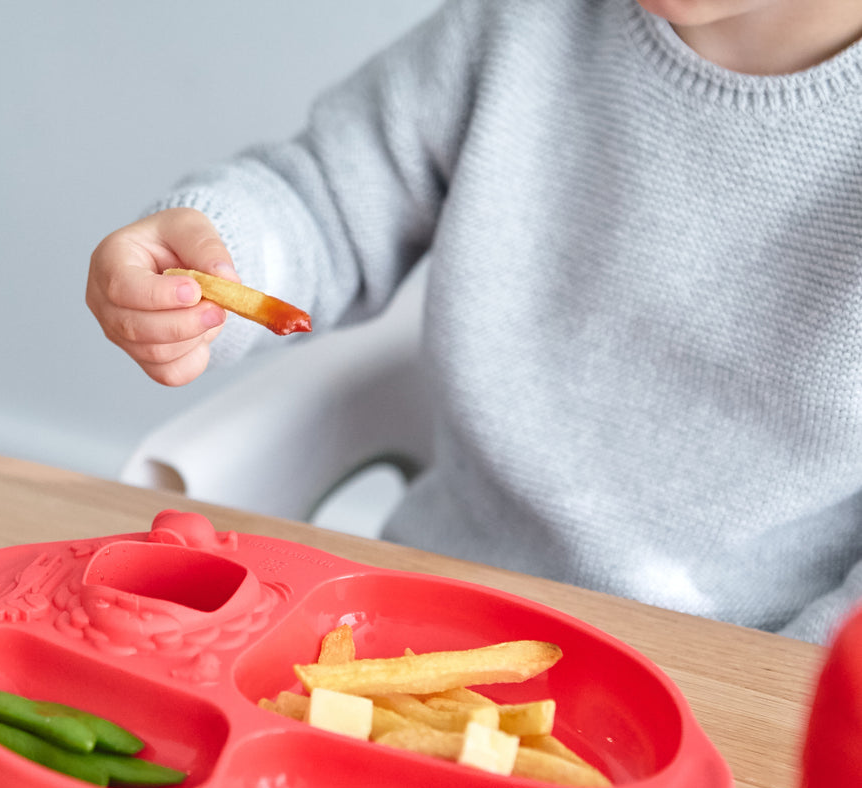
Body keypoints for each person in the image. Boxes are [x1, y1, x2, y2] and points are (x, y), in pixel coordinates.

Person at [85, 0, 862, 645]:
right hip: (431, 609)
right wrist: (212, 259)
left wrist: (790, 691)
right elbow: (322, 199)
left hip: (741, 681)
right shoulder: (519, 28)